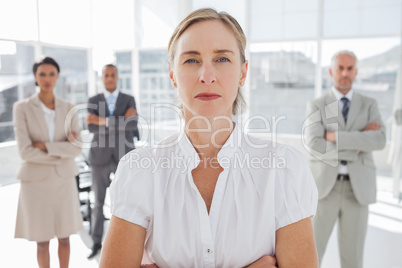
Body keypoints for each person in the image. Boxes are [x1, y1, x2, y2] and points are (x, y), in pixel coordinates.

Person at [100, 8, 318, 268]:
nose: (206, 75)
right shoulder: (139, 171)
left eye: (222, 59)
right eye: (191, 60)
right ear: (172, 74)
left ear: (243, 72)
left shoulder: (283, 168)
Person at [304, 50, 386, 268]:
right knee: (311, 254)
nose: (345, 73)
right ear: (331, 71)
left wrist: (335, 137)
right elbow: (314, 144)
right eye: (340, 68)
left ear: (356, 72)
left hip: (357, 190)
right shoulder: (317, 105)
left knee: (353, 258)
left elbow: (379, 139)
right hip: (324, 189)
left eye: (350, 68)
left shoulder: (369, 105)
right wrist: (359, 144)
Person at [13, 57, 83, 268]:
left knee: (65, 237)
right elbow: (25, 152)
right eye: (42, 74)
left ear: (57, 76)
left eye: (51, 74)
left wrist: (44, 145)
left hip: (64, 181)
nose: (47, 79)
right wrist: (62, 148)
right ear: (35, 77)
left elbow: (77, 148)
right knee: (41, 242)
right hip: (35, 184)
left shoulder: (70, 108)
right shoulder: (22, 108)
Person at [86, 64, 139, 259]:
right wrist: (119, 122)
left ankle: (126, 241)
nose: (109, 78)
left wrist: (104, 121)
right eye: (106, 75)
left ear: (117, 77)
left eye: (112, 75)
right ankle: (96, 242)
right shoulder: (93, 100)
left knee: (127, 201)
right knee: (98, 202)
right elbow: (92, 128)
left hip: (124, 157)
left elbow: (132, 125)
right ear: (102, 78)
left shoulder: (129, 99)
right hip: (99, 158)